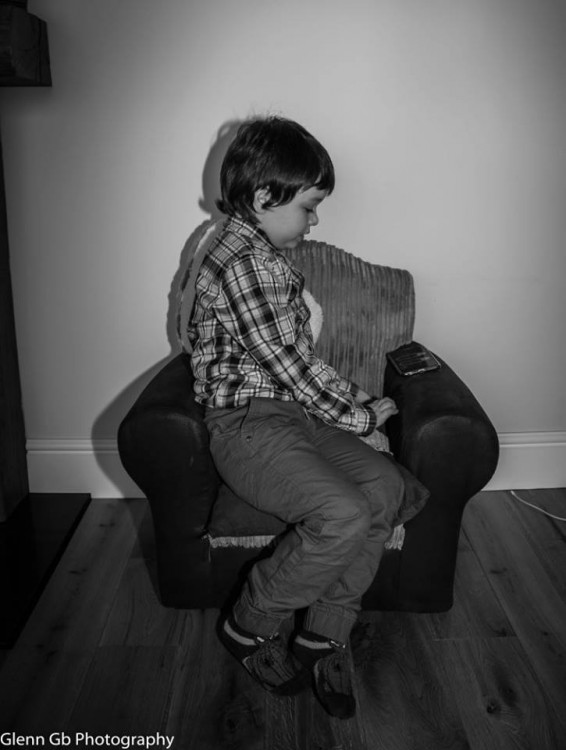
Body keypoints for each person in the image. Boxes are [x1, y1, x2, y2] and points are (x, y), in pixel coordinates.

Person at [181, 116, 424, 719]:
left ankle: (324, 632)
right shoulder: (245, 262)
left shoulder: (257, 249)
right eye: (311, 205)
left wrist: (347, 414)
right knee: (342, 511)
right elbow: (290, 365)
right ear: (265, 197)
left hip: (293, 416)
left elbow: (295, 366)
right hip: (249, 426)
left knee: (385, 487)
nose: (315, 220)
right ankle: (251, 624)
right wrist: (360, 414)